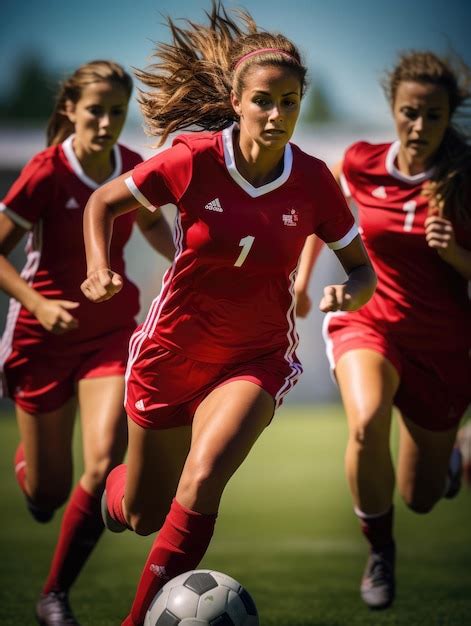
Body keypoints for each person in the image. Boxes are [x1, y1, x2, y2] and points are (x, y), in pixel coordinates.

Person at [80, 3, 377, 624]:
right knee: (143, 515)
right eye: (265, 101)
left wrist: (348, 292)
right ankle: (109, 491)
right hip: (170, 352)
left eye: (291, 102)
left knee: (204, 474)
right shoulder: (193, 159)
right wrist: (99, 266)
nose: (277, 115)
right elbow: (103, 204)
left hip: (255, 356)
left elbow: (361, 267)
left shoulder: (316, 182)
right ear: (238, 101)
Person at [0, 60, 174, 625]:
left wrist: (189, 259)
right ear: (70, 110)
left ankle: (54, 595)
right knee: (48, 494)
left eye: (116, 113)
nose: (105, 122)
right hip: (42, 338)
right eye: (94, 110)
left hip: (109, 336)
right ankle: (35, 471)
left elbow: (149, 224)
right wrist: (39, 305)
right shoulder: (46, 172)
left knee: (102, 465)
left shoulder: (131, 167)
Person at [296, 49, 471, 610]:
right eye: (409, 112)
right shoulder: (359, 161)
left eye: (434, 116)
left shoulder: (464, 181)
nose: (419, 127)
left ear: (450, 118)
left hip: (443, 347)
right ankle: (380, 553)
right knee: (367, 422)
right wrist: (300, 283)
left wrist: (459, 257)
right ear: (393, 107)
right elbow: (318, 217)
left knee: (419, 497)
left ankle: (455, 458)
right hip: (368, 322)